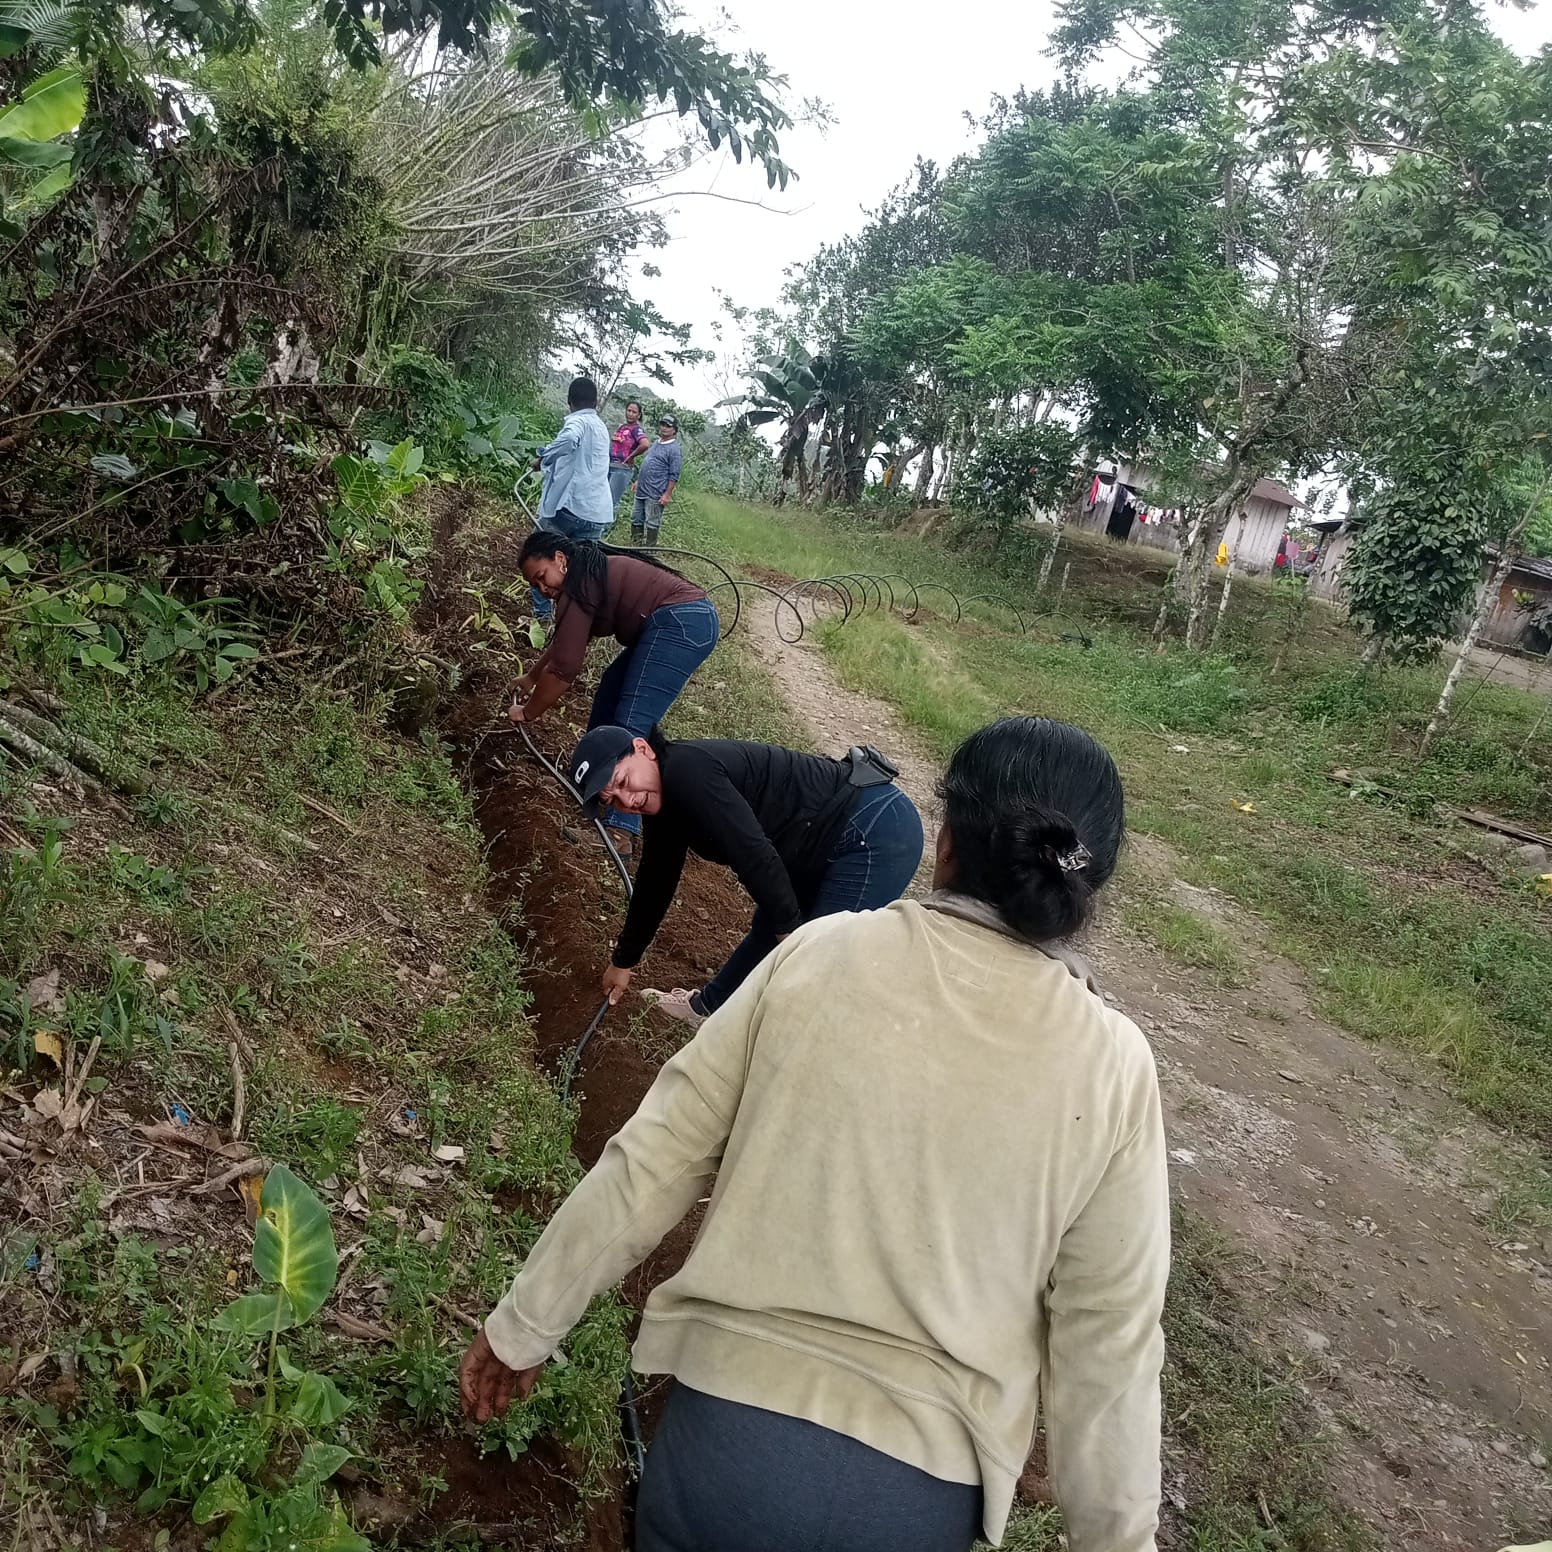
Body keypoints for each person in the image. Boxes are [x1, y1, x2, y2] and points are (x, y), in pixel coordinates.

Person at [458, 715, 1169, 1552]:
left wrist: (524, 1327)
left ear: (945, 842)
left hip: (721, 1456)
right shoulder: (1117, 1067)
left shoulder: (818, 956)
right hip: (912, 1507)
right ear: (1088, 887)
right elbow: (1110, 1342)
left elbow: (652, 1160)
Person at [560, 723, 924, 1024]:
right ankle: (709, 1009)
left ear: (644, 749)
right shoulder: (665, 801)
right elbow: (656, 881)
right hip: (826, 836)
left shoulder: (687, 772)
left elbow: (751, 853)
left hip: (873, 830)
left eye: (624, 781)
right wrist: (623, 961)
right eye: (613, 800)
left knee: (819, 960)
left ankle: (789, 1060)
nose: (628, 800)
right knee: (773, 924)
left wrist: (791, 933)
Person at [510, 535, 720, 850]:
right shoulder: (582, 580)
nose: (542, 589)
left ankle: (621, 830)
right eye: (534, 585)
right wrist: (531, 677)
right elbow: (565, 643)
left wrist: (528, 713)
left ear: (560, 559)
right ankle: (588, 780)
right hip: (681, 619)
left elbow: (565, 668)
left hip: (681, 622)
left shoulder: (580, 584)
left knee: (633, 719)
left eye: (542, 576)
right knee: (610, 692)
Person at [528, 376, 613, 621]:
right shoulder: (601, 428)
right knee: (580, 571)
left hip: (570, 509)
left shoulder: (578, 422)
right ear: (596, 402)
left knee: (538, 555)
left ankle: (543, 617)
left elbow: (568, 440)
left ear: (569, 402)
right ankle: (572, 621)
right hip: (595, 514)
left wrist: (544, 458)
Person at [631, 412, 683, 546]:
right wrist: (638, 481)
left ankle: (649, 551)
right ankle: (635, 548)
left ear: (674, 430)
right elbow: (647, 463)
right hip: (642, 489)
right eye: (663, 424)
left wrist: (668, 493)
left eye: (668, 426)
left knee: (652, 522)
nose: (664, 428)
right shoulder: (656, 443)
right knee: (636, 519)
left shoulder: (674, 449)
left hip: (656, 492)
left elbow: (674, 474)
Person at [608, 399, 651, 514]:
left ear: (639, 415)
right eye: (629, 410)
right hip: (610, 466)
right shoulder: (622, 427)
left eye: (634, 412)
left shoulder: (636, 430)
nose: (631, 414)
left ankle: (607, 525)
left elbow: (645, 444)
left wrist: (631, 456)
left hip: (622, 469)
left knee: (611, 502)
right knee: (603, 499)